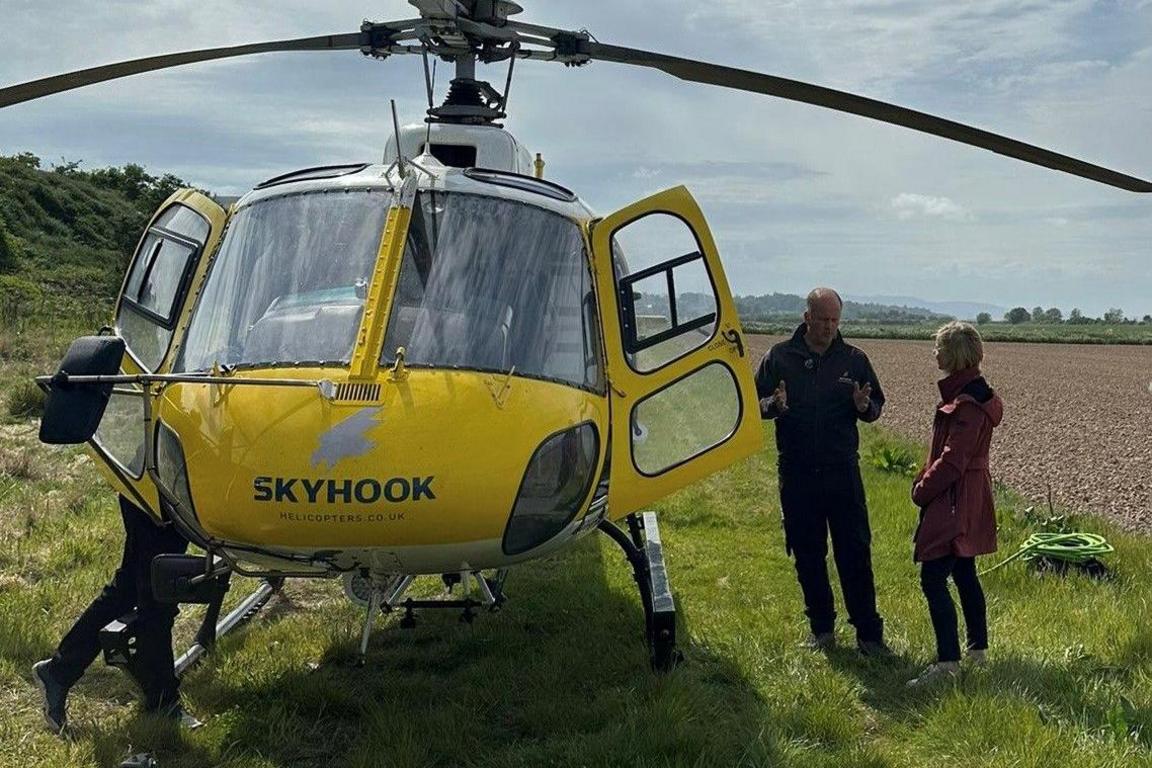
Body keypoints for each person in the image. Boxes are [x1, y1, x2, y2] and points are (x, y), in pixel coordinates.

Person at [756, 287, 888, 654]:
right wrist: (773, 404)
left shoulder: (854, 359)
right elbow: (754, 403)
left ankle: (869, 635)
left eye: (835, 320)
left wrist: (864, 407)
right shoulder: (779, 357)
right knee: (808, 552)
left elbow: (876, 404)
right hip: (797, 472)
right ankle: (822, 630)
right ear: (807, 318)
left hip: (841, 472)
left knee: (855, 552)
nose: (829, 327)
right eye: (823, 319)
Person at [32, 495, 201, 733]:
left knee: (130, 587)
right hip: (157, 491)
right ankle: (164, 702)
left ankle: (59, 671)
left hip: (155, 489)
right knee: (157, 595)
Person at [906, 321, 1003, 687]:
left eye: (938, 348)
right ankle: (977, 652)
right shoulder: (974, 394)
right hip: (967, 494)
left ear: (952, 355)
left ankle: (948, 664)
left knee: (933, 577)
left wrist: (922, 490)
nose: (935, 354)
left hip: (955, 498)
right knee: (964, 572)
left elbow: (953, 461)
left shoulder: (968, 403)